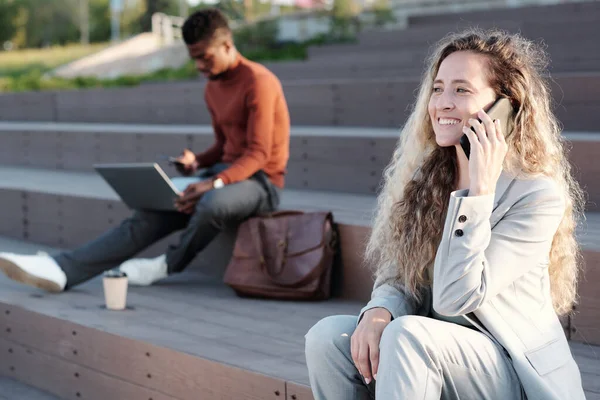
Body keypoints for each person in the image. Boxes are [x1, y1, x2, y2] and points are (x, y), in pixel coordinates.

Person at [304, 29, 586, 399]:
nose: (442, 103)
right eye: (438, 89)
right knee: (328, 337)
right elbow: (399, 273)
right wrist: (380, 310)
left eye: (462, 90)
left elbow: (457, 298)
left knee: (408, 336)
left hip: (509, 373)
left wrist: (477, 193)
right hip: (430, 352)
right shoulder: (428, 179)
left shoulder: (535, 196)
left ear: (505, 107)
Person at [0, 8, 290, 292]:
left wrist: (213, 182)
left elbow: (258, 153)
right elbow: (224, 146)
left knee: (212, 202)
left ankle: (168, 264)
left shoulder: (259, 82)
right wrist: (196, 163)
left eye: (205, 57)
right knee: (156, 206)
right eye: (194, 59)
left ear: (227, 45)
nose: (200, 66)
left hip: (261, 183)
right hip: (224, 175)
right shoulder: (212, 88)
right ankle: (64, 269)